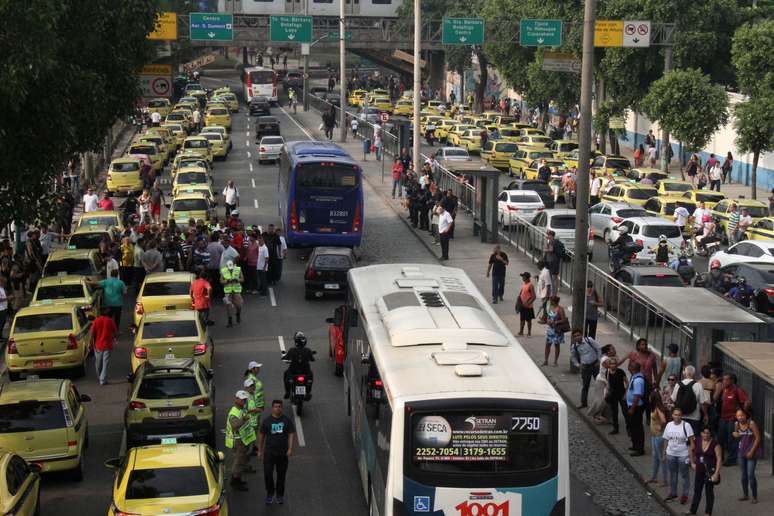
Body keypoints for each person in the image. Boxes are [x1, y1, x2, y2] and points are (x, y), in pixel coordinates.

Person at [258, 400, 296, 505]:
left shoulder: (286, 420)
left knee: (281, 476)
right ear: (272, 408)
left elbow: (291, 434)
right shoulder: (267, 421)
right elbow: (261, 436)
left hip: (282, 454)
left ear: (281, 408)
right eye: (275, 406)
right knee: (268, 473)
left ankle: (279, 495)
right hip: (269, 453)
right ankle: (270, 493)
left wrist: (290, 449)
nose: (277, 408)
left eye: (279, 406)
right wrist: (260, 451)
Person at [663, 407, 695, 504]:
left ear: (681, 416)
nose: (677, 416)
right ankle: (673, 493)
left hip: (683, 454)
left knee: (684, 475)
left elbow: (692, 442)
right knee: (673, 474)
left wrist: (691, 457)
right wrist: (664, 453)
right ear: (672, 415)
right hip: (671, 453)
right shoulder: (669, 425)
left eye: (679, 415)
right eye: (675, 414)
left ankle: (685, 494)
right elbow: (666, 440)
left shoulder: (686, 425)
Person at [688, 426, 721, 515]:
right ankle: (692, 510)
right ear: (701, 433)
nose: (705, 435)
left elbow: (719, 459)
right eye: (704, 432)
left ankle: (708, 512)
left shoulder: (715, 444)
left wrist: (716, 473)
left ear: (710, 434)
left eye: (708, 433)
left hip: (710, 471)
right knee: (697, 490)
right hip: (699, 469)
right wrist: (692, 462)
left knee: (709, 491)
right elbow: (691, 450)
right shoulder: (697, 440)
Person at [225, 391, 255, 491]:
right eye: (242, 399)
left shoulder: (241, 409)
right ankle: (235, 482)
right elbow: (235, 426)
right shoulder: (234, 413)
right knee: (238, 462)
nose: (244, 401)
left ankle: (238, 479)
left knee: (241, 461)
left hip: (243, 440)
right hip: (238, 442)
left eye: (245, 400)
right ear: (236, 399)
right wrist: (243, 419)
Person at [717, 373, 748, 466]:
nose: (724, 381)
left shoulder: (737, 390)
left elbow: (746, 401)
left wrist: (742, 414)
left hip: (732, 419)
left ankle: (732, 459)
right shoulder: (723, 389)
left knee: (732, 439)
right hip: (723, 418)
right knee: (720, 439)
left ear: (732, 381)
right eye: (723, 379)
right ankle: (720, 457)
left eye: (726, 380)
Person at [733, 408, 762, 504]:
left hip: (751, 453)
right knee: (743, 475)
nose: (740, 417)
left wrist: (752, 452)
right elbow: (737, 436)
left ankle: (755, 496)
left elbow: (758, 438)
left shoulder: (751, 424)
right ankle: (745, 495)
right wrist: (735, 434)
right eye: (738, 416)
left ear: (746, 415)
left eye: (742, 415)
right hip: (741, 452)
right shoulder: (736, 424)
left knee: (750, 475)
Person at [671, 365, 708, 438]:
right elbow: (702, 403)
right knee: (693, 438)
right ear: (694, 374)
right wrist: (706, 414)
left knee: (681, 437)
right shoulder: (698, 385)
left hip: (681, 416)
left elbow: (673, 399)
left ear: (684, 373)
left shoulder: (678, 384)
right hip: (694, 417)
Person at [570, 329, 600, 409]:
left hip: (595, 365)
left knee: (600, 384)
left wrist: (599, 360)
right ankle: (583, 403)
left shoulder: (589, 340)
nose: (577, 337)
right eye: (575, 336)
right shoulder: (574, 347)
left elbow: (598, 349)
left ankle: (601, 403)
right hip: (585, 368)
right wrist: (578, 365)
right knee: (585, 386)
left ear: (582, 335)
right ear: (573, 338)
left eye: (578, 335)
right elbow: (573, 357)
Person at [646, 390, 669, 486]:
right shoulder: (654, 407)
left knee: (661, 458)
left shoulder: (658, 408)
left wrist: (661, 426)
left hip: (659, 435)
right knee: (655, 456)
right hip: (654, 435)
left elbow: (663, 420)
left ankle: (664, 480)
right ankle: (653, 477)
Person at [283, 331, 315, 398]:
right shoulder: (308, 350)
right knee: (310, 377)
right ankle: (308, 392)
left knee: (286, 374)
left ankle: (287, 392)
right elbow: (312, 359)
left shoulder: (292, 350)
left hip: (293, 371)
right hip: (305, 372)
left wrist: (284, 357)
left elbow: (286, 357)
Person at [91, 308, 117, 385]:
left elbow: (92, 333)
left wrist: (90, 344)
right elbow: (115, 332)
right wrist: (113, 337)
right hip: (108, 345)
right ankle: (102, 380)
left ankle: (100, 377)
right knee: (105, 363)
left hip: (98, 345)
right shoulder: (110, 321)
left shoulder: (96, 320)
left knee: (98, 363)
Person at [627, 361, 647, 456]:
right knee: (633, 426)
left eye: (630, 365)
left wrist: (632, 408)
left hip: (636, 407)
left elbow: (637, 395)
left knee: (637, 427)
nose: (628, 367)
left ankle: (640, 449)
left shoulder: (638, 380)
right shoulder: (634, 377)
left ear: (633, 368)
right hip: (633, 405)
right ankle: (635, 445)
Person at [543, 296, 567, 367]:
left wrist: (556, 322)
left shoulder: (560, 309)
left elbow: (564, 319)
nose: (550, 302)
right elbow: (548, 317)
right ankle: (546, 360)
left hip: (557, 330)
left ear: (554, 301)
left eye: (551, 301)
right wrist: (548, 321)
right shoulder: (551, 308)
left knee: (556, 345)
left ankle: (555, 361)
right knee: (547, 345)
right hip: (550, 330)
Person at [221, 260, 243, 328]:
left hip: (236, 291)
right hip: (228, 292)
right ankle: (230, 321)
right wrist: (227, 281)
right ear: (227, 267)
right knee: (228, 306)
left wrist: (237, 280)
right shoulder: (223, 270)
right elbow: (221, 281)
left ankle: (238, 314)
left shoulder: (238, 269)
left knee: (239, 305)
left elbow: (242, 279)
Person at [516, 271, 535, 337]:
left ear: (526, 278)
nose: (522, 278)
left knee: (528, 320)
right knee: (522, 319)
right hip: (522, 305)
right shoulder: (524, 284)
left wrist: (528, 303)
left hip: (528, 306)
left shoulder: (530, 285)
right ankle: (521, 331)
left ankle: (529, 332)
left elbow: (533, 296)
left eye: (523, 277)